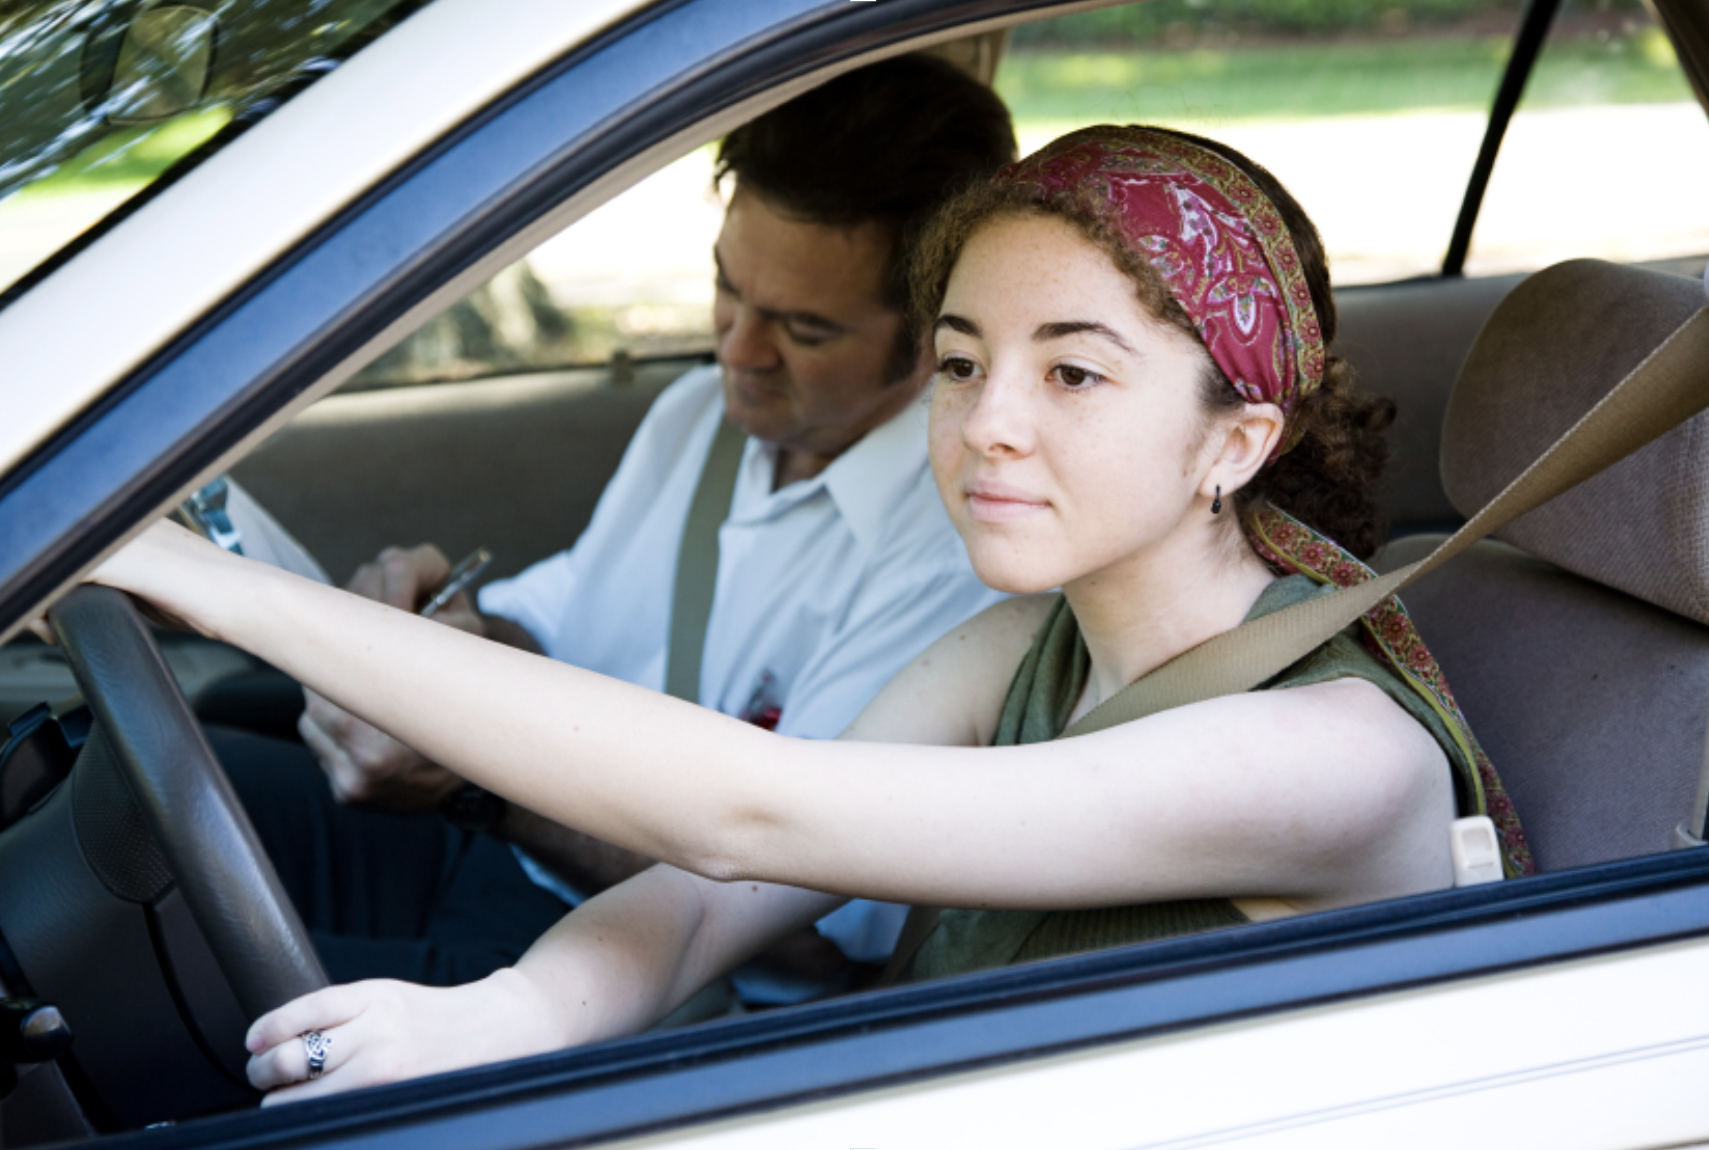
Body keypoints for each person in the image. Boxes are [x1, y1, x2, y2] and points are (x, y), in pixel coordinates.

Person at [69, 124, 1533, 1101]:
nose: (986, 428)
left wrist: (200, 575)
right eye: (960, 364)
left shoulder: (1329, 753)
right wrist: (498, 1017)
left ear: (1235, 442)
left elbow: (748, 814)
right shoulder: (1033, 639)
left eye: (1071, 373)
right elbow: (720, 891)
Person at [207, 54, 1018, 999]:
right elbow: (553, 628)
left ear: (932, 336)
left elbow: (813, 939)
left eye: (803, 329)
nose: (738, 351)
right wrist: (444, 626)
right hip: (496, 864)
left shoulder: (953, 548)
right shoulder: (694, 421)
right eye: (727, 290)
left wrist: (476, 784)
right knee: (154, 806)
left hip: (665, 982)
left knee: (181, 996)